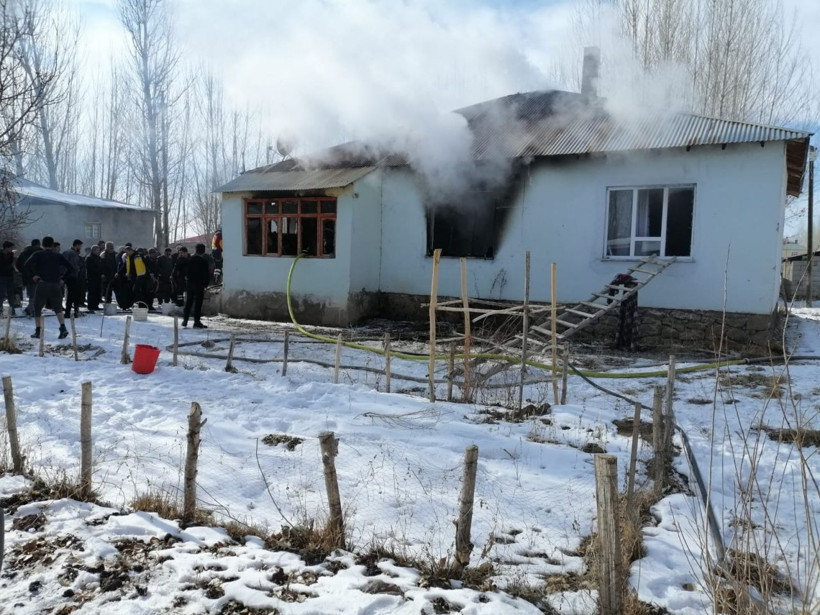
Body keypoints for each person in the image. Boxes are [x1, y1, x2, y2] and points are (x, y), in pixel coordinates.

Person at [24, 236, 73, 339]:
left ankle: (38, 331)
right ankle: (63, 327)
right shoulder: (58, 256)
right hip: (55, 284)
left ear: (42, 244)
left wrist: (33, 275)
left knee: (38, 308)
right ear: (52, 245)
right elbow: (71, 268)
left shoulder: (38, 254)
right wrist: (63, 279)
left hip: (42, 284)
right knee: (58, 308)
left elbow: (26, 265)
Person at [182, 243, 209, 328]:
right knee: (198, 303)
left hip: (190, 284)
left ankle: (185, 320)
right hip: (199, 285)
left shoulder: (190, 259)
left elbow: (185, 271)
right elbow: (206, 274)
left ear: (196, 250)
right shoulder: (204, 261)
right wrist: (206, 284)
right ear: (203, 251)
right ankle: (196, 321)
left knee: (189, 302)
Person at [16, 238, 42, 315]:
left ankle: (30, 308)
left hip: (27, 276)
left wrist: (23, 272)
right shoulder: (40, 252)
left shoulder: (24, 252)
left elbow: (18, 264)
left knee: (31, 294)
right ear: (38, 244)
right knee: (36, 294)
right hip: (38, 276)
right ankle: (32, 309)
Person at [62, 239, 84, 317]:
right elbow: (75, 266)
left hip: (65, 276)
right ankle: (73, 311)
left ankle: (68, 311)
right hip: (72, 276)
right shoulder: (73, 254)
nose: (81, 248)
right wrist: (78, 269)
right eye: (80, 246)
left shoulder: (65, 252)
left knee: (69, 295)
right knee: (74, 295)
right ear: (77, 245)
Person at [85, 245, 102, 312]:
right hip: (92, 278)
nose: (98, 252)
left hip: (98, 278)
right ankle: (91, 306)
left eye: (98, 250)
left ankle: (96, 305)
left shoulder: (98, 258)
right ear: (93, 250)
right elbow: (91, 269)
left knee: (97, 292)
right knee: (92, 292)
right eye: (97, 250)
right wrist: (98, 272)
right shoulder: (89, 258)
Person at [0, 241, 15, 316]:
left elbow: (11, 263)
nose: (12, 249)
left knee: (10, 293)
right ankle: (0, 308)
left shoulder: (11, 254)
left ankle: (12, 309)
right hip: (1, 275)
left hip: (9, 275)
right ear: (6, 247)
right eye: (11, 248)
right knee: (1, 293)